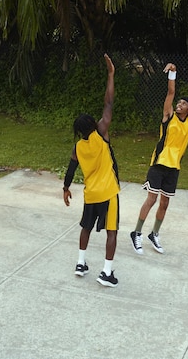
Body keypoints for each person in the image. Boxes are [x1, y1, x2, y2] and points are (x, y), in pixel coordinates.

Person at [130, 63, 188, 255]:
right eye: (178, 103)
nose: (179, 104)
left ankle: (154, 234)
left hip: (174, 166)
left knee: (165, 203)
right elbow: (170, 93)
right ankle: (136, 232)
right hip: (159, 163)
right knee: (152, 199)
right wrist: (173, 72)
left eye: (183, 103)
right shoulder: (168, 116)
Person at [63, 53, 120, 287]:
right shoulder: (101, 134)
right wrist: (111, 74)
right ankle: (106, 273)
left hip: (91, 194)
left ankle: (80, 263)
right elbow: (108, 103)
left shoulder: (78, 146)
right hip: (107, 192)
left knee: (86, 227)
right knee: (112, 231)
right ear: (93, 125)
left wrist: (66, 187)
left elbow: (70, 167)